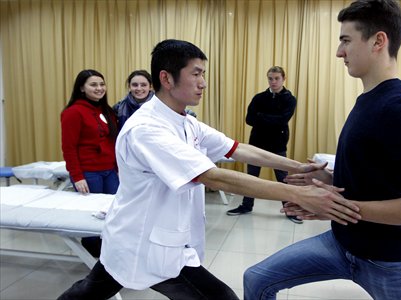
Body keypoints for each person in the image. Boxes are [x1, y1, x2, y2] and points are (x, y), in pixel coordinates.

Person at [58, 39, 361, 300]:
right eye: (197, 74)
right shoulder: (147, 128)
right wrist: (299, 192)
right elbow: (212, 175)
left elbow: (237, 148)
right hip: (143, 239)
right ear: (167, 78)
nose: (203, 82)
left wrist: (301, 168)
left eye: (204, 73)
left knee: (90, 290)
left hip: (147, 236)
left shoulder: (186, 121)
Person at [243, 1, 401, 299]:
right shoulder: (369, 100)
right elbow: (378, 175)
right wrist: (330, 181)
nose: (339, 52)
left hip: (393, 261)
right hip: (343, 242)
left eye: (346, 40)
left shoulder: (400, 106)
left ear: (378, 41)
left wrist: (337, 207)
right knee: (256, 279)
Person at [226, 66, 301, 224]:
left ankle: (289, 209)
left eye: (276, 78)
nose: (273, 82)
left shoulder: (289, 99)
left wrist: (261, 116)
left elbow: (281, 121)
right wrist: (270, 119)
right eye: (270, 79)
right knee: (251, 178)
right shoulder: (259, 98)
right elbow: (249, 120)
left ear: (283, 79)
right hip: (257, 143)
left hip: (277, 144)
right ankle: (246, 206)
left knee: (283, 179)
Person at [61, 69, 120, 257]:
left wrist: (118, 169)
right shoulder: (73, 112)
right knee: (90, 215)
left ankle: (110, 247)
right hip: (88, 172)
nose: (99, 88)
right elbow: (69, 148)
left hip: (109, 171)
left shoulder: (107, 111)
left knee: (114, 210)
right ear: (81, 88)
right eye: (93, 85)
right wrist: (77, 176)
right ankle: (92, 253)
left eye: (102, 84)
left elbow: (113, 143)